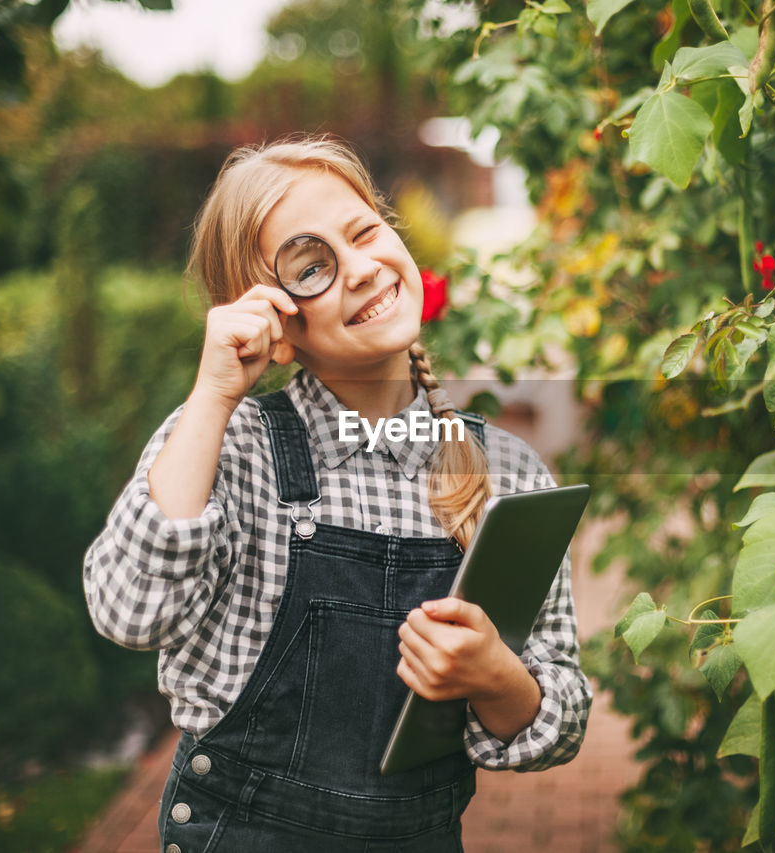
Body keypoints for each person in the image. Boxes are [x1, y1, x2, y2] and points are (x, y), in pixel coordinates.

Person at [82, 134, 592, 852]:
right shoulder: (231, 445)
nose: (359, 269)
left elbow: (559, 719)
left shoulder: (507, 472)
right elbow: (127, 611)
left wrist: (496, 676)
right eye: (313, 266)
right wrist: (212, 393)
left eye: (364, 233)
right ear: (275, 323)